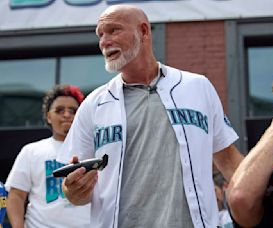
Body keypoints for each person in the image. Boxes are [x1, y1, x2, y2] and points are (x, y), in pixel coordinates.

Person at [57, 4, 243, 228]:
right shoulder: (93, 105)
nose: (104, 42)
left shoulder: (198, 87)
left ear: (143, 31)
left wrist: (269, 190)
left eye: (114, 30)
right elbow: (74, 191)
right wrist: (74, 190)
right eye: (100, 35)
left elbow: (228, 160)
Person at [5, 85, 89, 228]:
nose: (67, 115)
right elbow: (16, 195)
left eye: (73, 110)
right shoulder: (31, 151)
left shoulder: (93, 150)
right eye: (60, 110)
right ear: (49, 116)